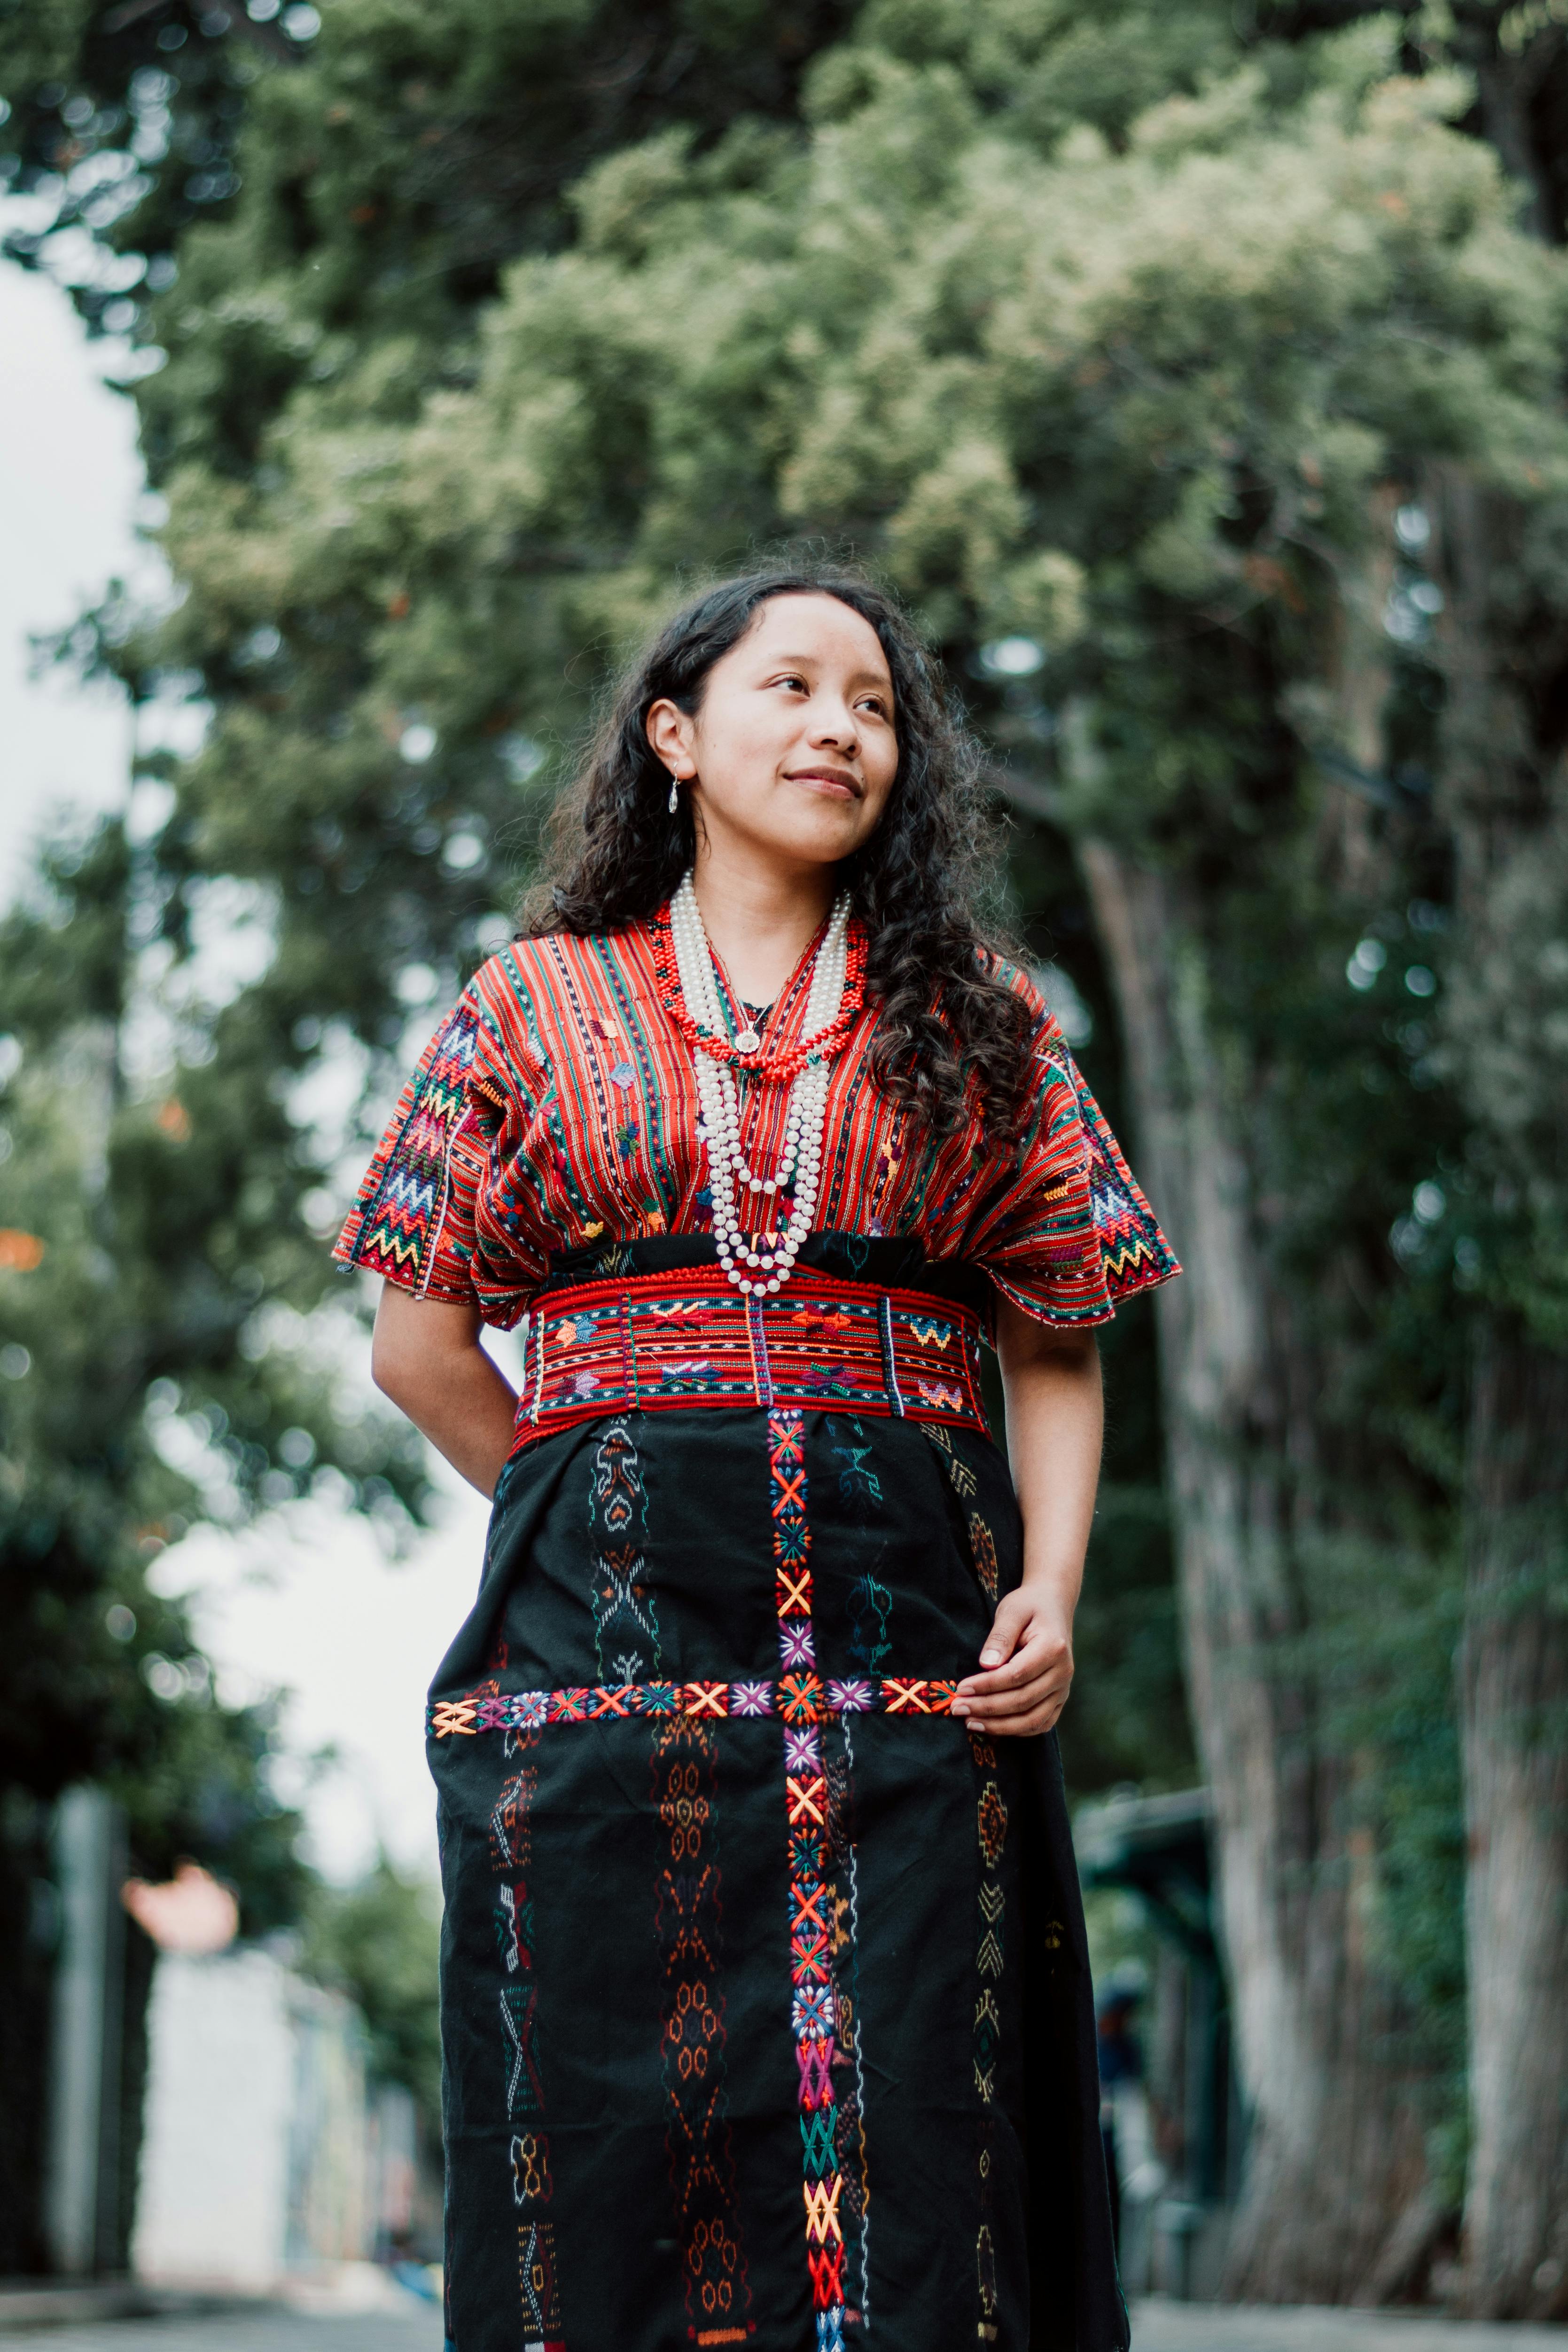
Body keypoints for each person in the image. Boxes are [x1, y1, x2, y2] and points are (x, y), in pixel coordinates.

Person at [335, 566, 1178, 2352]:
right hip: (602, 1670)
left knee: (925, 2142)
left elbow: (1057, 1335)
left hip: (921, 1653)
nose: (836, 730)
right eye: (790, 688)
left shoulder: (981, 1012)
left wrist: (1050, 1586)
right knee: (612, 2138)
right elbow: (417, 1346)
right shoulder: (528, 1003)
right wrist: (597, 1500)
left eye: (872, 705)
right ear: (674, 736)